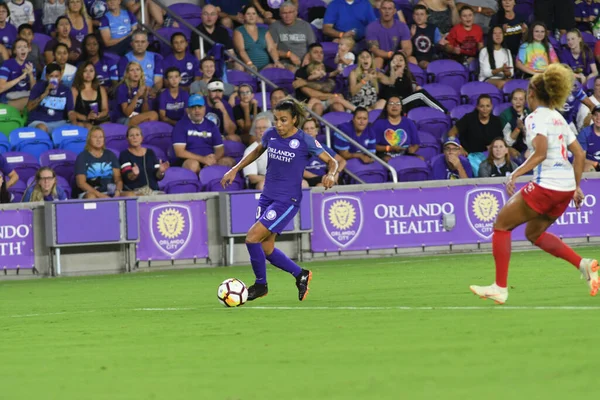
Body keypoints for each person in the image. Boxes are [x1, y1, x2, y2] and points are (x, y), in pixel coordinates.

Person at [470, 63, 598, 304]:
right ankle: (583, 265)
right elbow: (579, 155)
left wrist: (515, 174)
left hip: (547, 186)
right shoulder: (558, 118)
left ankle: (500, 287)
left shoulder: (535, 118)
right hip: (565, 189)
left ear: (531, 94)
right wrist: (576, 186)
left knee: (501, 225)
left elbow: (539, 154)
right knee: (534, 232)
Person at [220, 97, 338, 301]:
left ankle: (260, 285)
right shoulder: (271, 135)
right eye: (276, 119)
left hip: (286, 200)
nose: (279, 124)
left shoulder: (305, 140)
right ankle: (301, 274)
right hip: (267, 197)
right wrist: (234, 169)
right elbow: (258, 151)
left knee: (251, 238)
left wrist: (331, 174)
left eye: (283, 120)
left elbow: (332, 161)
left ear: (294, 120)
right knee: (266, 248)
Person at [172, 94, 235, 173]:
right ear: (187, 110)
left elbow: (220, 149)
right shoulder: (180, 125)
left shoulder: (211, 125)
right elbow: (179, 152)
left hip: (209, 160)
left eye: (200, 107)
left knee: (229, 162)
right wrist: (203, 159)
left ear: (204, 109)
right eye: (193, 107)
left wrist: (213, 160)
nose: (197, 110)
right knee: (193, 165)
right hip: (189, 160)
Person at [447, 94, 503, 174]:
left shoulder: (496, 121)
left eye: (488, 106)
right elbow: (451, 133)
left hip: (489, 155)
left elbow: (500, 140)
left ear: (492, 106)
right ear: (477, 107)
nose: (485, 109)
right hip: (469, 155)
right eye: (482, 106)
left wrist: (493, 146)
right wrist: (459, 147)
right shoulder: (468, 118)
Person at [379, 51, 446, 112]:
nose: (398, 62)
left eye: (401, 60)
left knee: (420, 92)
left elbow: (411, 92)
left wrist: (416, 88)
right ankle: (444, 112)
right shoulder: (387, 76)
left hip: (407, 103)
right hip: (395, 103)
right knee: (420, 94)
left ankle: (437, 114)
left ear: (405, 65)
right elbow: (385, 93)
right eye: (395, 60)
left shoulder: (408, 77)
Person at [75, 126, 130, 198]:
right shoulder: (82, 157)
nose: (98, 140)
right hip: (90, 192)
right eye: (95, 137)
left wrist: (118, 190)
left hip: (110, 192)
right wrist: (100, 195)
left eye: (101, 137)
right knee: (91, 197)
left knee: (130, 195)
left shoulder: (110, 155)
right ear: (89, 139)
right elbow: (81, 183)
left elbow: (118, 178)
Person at [27, 62, 77, 132]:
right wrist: (45, 94)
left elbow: (70, 112)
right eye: (51, 76)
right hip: (40, 121)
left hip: (59, 122)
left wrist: (74, 124)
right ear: (47, 77)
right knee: (42, 128)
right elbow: (29, 108)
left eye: (57, 76)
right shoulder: (38, 87)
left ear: (61, 75)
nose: (54, 79)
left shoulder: (66, 90)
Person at [119, 125, 169, 195]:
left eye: (137, 135)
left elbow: (158, 177)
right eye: (131, 135)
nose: (134, 138)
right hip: (136, 192)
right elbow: (128, 177)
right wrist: (134, 174)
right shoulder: (124, 154)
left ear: (142, 138)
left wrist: (161, 172)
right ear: (127, 139)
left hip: (153, 191)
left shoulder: (150, 152)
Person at [233, 5, 284, 71]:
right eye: (248, 14)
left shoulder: (264, 31)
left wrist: (276, 61)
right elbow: (241, 51)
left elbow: (271, 48)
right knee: (239, 67)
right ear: (244, 16)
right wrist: (250, 64)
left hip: (265, 66)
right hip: (247, 66)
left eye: (254, 14)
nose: (251, 16)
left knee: (277, 68)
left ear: (257, 16)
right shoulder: (239, 31)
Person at [268, 1, 315, 71]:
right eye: (284, 13)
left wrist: (308, 56)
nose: (287, 16)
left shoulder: (305, 25)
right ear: (280, 14)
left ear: (295, 13)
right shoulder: (275, 26)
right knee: (294, 71)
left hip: (306, 62)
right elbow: (272, 50)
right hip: (286, 63)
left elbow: (313, 46)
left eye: (290, 12)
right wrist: (289, 54)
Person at [366, 0, 412, 69]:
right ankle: (374, 79)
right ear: (380, 10)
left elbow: (407, 47)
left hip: (398, 57)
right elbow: (374, 49)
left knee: (412, 60)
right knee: (378, 60)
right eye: (384, 8)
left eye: (390, 9)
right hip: (380, 56)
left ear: (394, 11)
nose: (387, 11)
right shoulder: (371, 27)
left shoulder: (402, 26)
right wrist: (389, 55)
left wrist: (400, 55)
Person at [372, 96, 421, 161]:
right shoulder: (379, 124)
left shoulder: (409, 122)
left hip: (405, 154)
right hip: (385, 154)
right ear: (386, 107)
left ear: (401, 108)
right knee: (390, 160)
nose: (394, 106)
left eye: (397, 104)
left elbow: (416, 144)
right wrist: (389, 148)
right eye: (391, 104)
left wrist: (412, 149)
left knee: (420, 159)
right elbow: (373, 146)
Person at [117, 30, 163, 96]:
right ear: (131, 44)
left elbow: (158, 82)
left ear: (147, 44)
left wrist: (152, 92)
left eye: (143, 42)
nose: (140, 45)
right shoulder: (125, 60)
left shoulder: (156, 57)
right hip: (132, 94)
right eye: (137, 42)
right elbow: (125, 83)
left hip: (152, 94)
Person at [302, 118, 346, 187]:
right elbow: (299, 171)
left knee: (322, 186)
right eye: (306, 129)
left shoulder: (323, 147)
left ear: (316, 131)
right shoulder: (298, 149)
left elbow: (342, 161)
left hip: (323, 179)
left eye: (312, 128)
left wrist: (335, 173)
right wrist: (319, 178)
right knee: (303, 184)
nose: (309, 131)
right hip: (308, 179)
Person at [115, 61, 158, 126]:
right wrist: (137, 96)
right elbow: (127, 113)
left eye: (138, 69)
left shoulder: (143, 87)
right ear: (127, 74)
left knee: (154, 115)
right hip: (124, 119)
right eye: (132, 70)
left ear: (141, 72)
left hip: (138, 117)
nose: (135, 72)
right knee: (150, 117)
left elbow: (145, 113)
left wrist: (145, 98)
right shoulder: (122, 88)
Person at [0, 37, 36, 111]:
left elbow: (34, 90)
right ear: (15, 51)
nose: (23, 49)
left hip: (25, 95)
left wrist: (31, 75)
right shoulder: (7, 64)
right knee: (31, 103)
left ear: (28, 50)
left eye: (25, 47)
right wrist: (20, 77)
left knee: (36, 98)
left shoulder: (30, 65)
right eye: (19, 47)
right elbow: (1, 88)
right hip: (8, 98)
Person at [71, 61, 110, 128]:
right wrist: (86, 117)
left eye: (91, 71)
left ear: (95, 73)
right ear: (80, 73)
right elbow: (71, 111)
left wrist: (99, 115)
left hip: (98, 120)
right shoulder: (75, 90)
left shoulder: (101, 89)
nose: (88, 74)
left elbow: (105, 109)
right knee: (89, 127)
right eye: (85, 71)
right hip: (82, 122)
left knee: (108, 127)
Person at [409, 4, 445, 68]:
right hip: (417, 58)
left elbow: (438, 44)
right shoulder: (409, 27)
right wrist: (411, 35)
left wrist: (441, 44)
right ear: (413, 16)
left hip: (431, 56)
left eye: (422, 14)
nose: (419, 17)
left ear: (426, 16)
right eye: (417, 14)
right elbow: (405, 45)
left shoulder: (433, 28)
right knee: (426, 65)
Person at [243, 114, 271, 189]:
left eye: (264, 127)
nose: (261, 130)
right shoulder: (250, 151)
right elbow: (252, 178)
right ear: (255, 131)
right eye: (258, 128)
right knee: (263, 185)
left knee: (302, 183)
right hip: (264, 180)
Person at [500, 88, 529, 157]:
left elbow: (532, 139)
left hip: (528, 147)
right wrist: (518, 129)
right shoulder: (505, 115)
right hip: (512, 148)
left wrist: (524, 130)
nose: (518, 102)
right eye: (515, 99)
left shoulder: (530, 114)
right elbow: (508, 143)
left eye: (521, 99)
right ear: (511, 101)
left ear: (525, 101)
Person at [577, 105, 600, 172]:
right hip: (592, 165)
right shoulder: (585, 133)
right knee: (587, 168)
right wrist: (596, 164)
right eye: (596, 115)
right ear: (592, 117)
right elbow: (580, 157)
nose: (598, 118)